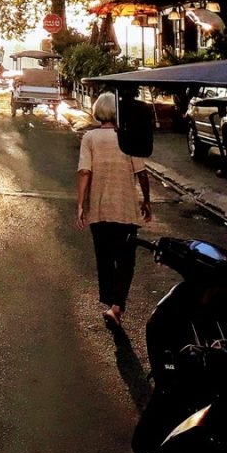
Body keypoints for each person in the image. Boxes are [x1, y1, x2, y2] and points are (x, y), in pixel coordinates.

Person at [76, 91, 152, 330]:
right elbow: (141, 173)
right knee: (126, 260)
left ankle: (111, 303)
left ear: (98, 111)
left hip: (99, 210)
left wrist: (80, 206)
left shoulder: (89, 138)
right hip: (125, 210)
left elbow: (85, 173)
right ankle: (116, 306)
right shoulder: (127, 138)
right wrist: (146, 201)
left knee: (105, 259)